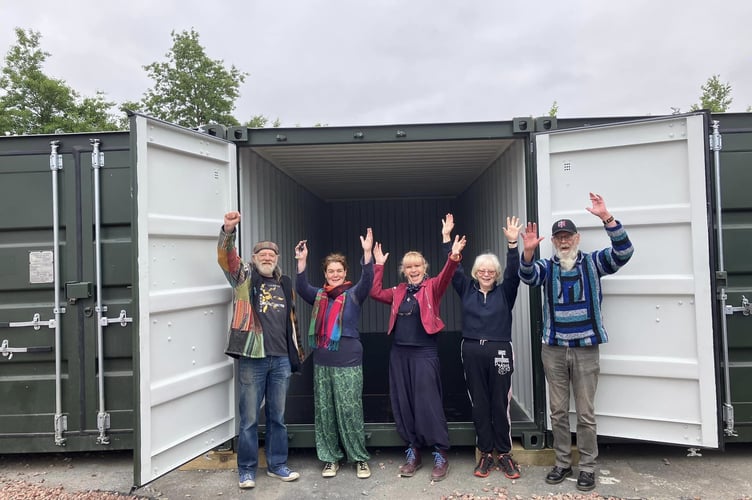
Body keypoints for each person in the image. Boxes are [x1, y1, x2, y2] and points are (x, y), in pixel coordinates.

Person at [518, 193, 634, 492]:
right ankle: (561, 463)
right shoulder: (548, 266)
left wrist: (607, 218)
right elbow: (528, 277)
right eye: (559, 237)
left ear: (577, 238)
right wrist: (528, 253)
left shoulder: (594, 262)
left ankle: (587, 467)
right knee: (557, 411)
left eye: (568, 236)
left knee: (585, 413)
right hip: (553, 349)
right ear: (554, 241)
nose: (564, 241)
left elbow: (624, 252)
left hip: (585, 348)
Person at [369, 225, 466, 482]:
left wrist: (452, 255)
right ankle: (413, 450)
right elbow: (374, 292)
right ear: (403, 269)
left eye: (417, 266)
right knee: (404, 402)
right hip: (399, 354)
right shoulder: (399, 291)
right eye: (409, 266)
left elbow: (447, 274)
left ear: (425, 268)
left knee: (428, 403)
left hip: (425, 353)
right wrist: (378, 265)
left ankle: (440, 452)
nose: (413, 270)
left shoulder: (432, 287)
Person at [217, 210, 305, 490]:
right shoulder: (244, 278)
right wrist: (228, 231)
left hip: (280, 360)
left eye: (271, 255)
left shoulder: (285, 283)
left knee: (278, 417)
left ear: (277, 259)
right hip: (253, 358)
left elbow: (292, 322)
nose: (267, 258)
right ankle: (246, 470)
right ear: (254, 259)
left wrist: (296, 355)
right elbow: (226, 259)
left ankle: (277, 465)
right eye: (262, 254)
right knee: (250, 419)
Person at [441, 213, 523, 480]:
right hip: (472, 349)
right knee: (479, 403)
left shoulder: (505, 291)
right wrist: (447, 242)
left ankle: (505, 453)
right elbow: (453, 271)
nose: (486, 274)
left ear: (496, 274)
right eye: (482, 271)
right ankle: (486, 453)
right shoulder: (466, 288)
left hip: (500, 349)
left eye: (491, 271)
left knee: (500, 402)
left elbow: (514, 272)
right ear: (476, 273)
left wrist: (513, 245)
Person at [294, 229, 374, 480]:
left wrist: (367, 253)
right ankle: (330, 458)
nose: (335, 274)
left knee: (350, 410)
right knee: (325, 411)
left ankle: (359, 458)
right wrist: (301, 261)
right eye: (331, 271)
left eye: (339, 270)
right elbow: (300, 285)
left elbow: (369, 279)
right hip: (323, 361)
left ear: (345, 272)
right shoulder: (318, 296)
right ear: (325, 274)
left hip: (349, 358)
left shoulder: (354, 294)